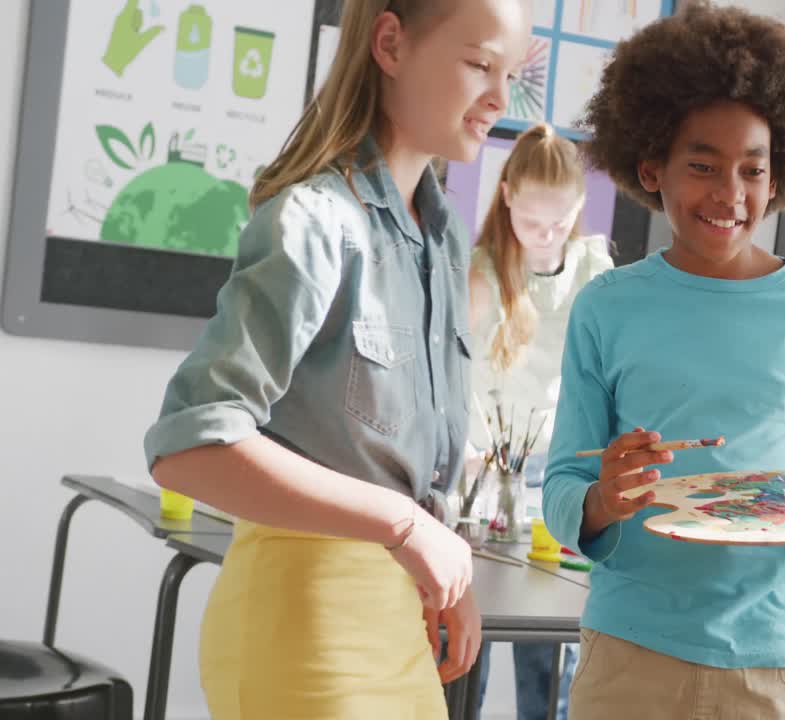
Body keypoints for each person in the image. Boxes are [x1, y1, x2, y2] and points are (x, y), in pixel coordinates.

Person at [142, 1, 530, 717]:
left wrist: (444, 562)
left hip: (400, 627)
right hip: (302, 632)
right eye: (480, 65)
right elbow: (189, 446)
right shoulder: (313, 222)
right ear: (390, 43)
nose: (501, 99)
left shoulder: (444, 241)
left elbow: (409, 469)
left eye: (513, 75)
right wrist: (407, 526)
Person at [541, 3, 785, 719]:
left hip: (767, 662)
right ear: (652, 168)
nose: (730, 194)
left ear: (779, 177)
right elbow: (564, 482)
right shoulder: (607, 306)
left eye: (753, 170)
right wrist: (603, 499)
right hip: (630, 654)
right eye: (703, 166)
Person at [463, 121, 614, 720]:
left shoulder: (593, 269)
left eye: (560, 221)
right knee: (468, 641)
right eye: (531, 222)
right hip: (484, 474)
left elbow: (608, 375)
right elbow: (449, 373)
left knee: (547, 655)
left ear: (579, 207)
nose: (547, 236)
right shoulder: (482, 272)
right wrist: (466, 455)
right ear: (506, 196)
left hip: (558, 476)